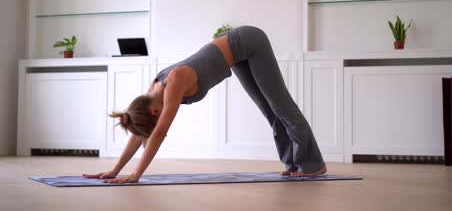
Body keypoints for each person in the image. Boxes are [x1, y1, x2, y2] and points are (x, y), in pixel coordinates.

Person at [83, 26, 327, 183]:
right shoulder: (151, 95)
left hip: (250, 40)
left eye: (153, 122)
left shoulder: (173, 83)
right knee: (268, 109)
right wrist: (115, 170)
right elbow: (139, 134)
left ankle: (312, 164)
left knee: (280, 104)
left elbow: (159, 133)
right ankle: (293, 161)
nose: (154, 125)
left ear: (155, 111)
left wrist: (136, 175)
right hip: (237, 50)